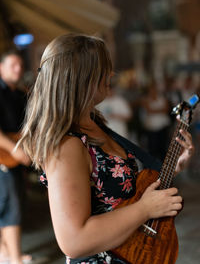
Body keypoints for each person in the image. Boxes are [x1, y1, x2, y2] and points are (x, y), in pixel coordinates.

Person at [18, 34, 194, 264]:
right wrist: (145, 209)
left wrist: (174, 168)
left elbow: (118, 195)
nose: (111, 74)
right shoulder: (67, 145)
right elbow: (73, 241)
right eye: (104, 69)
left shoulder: (93, 124)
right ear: (82, 78)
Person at [0, 50, 32, 264]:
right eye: (12, 65)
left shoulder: (20, 93)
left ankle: (6, 253)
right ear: (0, 67)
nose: (18, 69)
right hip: (5, 158)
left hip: (15, 159)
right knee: (11, 208)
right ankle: (14, 259)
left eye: (20, 65)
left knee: (8, 205)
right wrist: (15, 150)